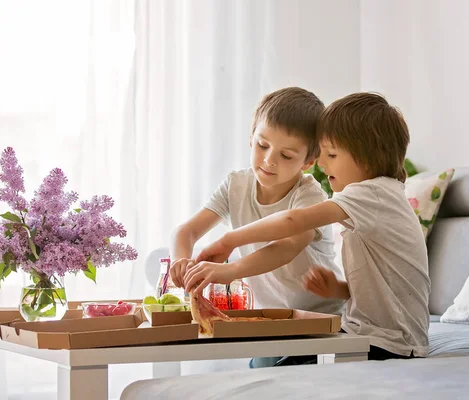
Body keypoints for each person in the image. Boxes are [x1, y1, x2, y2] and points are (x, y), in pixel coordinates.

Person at [191, 92, 430, 361]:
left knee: (283, 368)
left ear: (366, 158)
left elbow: (293, 220)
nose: (323, 163)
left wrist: (229, 241)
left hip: (390, 343)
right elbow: (384, 289)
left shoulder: (373, 193)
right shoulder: (376, 197)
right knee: (271, 362)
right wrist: (338, 289)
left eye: (331, 154)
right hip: (367, 333)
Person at [169, 87, 345, 367]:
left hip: (320, 323)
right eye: (263, 145)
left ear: (309, 161)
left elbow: (286, 247)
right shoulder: (236, 185)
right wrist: (181, 260)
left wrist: (229, 270)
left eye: (286, 156)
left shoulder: (309, 195)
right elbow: (186, 232)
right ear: (251, 139)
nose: (269, 160)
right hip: (271, 322)